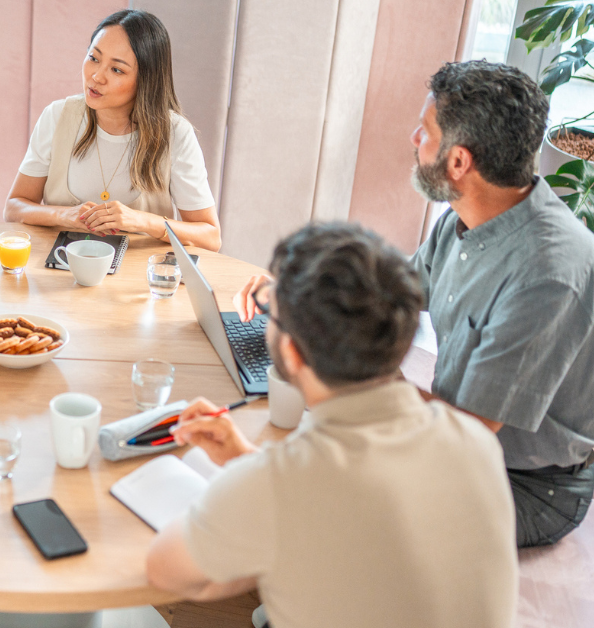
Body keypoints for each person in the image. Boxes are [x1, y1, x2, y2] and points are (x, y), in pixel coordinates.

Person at [236, 61, 594, 548]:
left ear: (459, 162)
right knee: (300, 446)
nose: (412, 139)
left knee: (332, 491)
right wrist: (292, 291)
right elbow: (383, 295)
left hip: (525, 483)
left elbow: (466, 435)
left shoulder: (549, 275)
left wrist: (357, 381)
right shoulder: (461, 219)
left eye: (424, 132)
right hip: (460, 436)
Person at [147, 223, 517, 628]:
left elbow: (166, 571)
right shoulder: (475, 441)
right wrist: (247, 462)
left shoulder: (279, 484)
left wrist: (245, 485)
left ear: (290, 350)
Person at [3, 10, 220, 249]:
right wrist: (64, 215)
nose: (96, 76)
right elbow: (14, 207)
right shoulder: (57, 116)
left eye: (117, 70)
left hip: (139, 280)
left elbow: (210, 237)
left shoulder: (176, 134)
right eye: (94, 58)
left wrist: (143, 221)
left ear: (146, 80)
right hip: (60, 270)